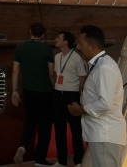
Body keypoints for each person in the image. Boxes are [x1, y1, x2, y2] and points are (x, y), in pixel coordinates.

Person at [68, 25, 126, 167]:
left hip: (104, 134)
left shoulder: (104, 68)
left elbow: (105, 104)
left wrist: (80, 110)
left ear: (91, 46)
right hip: (99, 133)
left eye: (80, 43)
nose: (77, 47)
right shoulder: (99, 65)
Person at [11, 22, 55, 166]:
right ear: (43, 35)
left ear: (30, 31)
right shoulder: (47, 50)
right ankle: (40, 159)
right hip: (44, 91)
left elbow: (16, 70)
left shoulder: (20, 47)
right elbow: (50, 73)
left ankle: (22, 146)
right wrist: (55, 87)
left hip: (28, 90)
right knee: (44, 125)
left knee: (30, 120)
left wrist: (15, 91)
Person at [52, 31, 87, 167]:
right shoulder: (57, 57)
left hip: (71, 95)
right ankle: (61, 161)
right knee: (59, 131)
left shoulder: (76, 58)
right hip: (57, 94)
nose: (56, 39)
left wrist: (77, 93)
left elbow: (82, 77)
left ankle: (78, 161)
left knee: (75, 130)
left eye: (58, 37)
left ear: (66, 41)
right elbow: (57, 74)